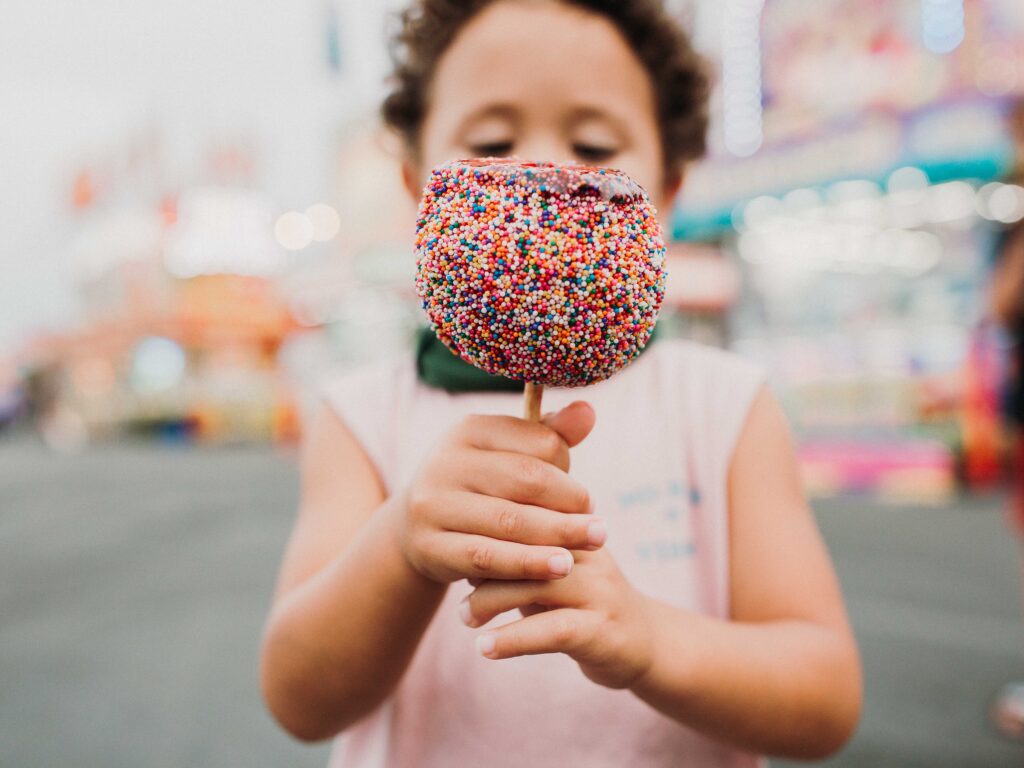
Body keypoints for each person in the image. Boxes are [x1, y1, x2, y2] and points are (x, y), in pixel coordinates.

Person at [259, 1, 862, 765]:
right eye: (491, 142)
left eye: (593, 143)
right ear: (421, 193)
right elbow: (299, 699)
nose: (543, 173)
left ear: (667, 194)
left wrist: (649, 641)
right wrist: (403, 548)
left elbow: (825, 702)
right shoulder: (363, 416)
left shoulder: (724, 408)